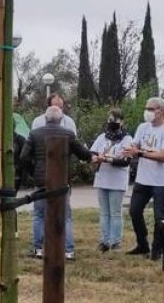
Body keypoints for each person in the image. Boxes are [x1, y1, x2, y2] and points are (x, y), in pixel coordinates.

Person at [21, 105, 98, 260]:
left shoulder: (35, 134)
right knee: (66, 216)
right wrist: (92, 157)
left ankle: (39, 249)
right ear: (61, 119)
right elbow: (83, 154)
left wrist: (34, 171)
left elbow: (23, 157)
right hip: (62, 180)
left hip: (41, 180)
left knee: (39, 215)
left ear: (45, 118)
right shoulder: (68, 134)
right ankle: (68, 251)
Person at [126, 96, 164, 260]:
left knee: (159, 217)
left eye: (150, 109)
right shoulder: (142, 127)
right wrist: (132, 149)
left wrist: (140, 153)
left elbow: (163, 156)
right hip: (143, 178)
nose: (147, 112)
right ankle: (142, 244)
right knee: (134, 211)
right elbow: (135, 144)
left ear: (160, 111)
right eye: (146, 108)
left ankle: (157, 249)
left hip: (161, 181)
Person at [90, 109, 134, 252]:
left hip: (117, 181)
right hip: (102, 179)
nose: (112, 123)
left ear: (122, 122)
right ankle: (104, 241)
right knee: (104, 212)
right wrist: (94, 158)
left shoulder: (127, 139)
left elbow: (126, 161)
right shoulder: (102, 137)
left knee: (115, 212)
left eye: (115, 120)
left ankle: (115, 242)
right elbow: (93, 153)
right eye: (110, 120)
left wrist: (107, 159)